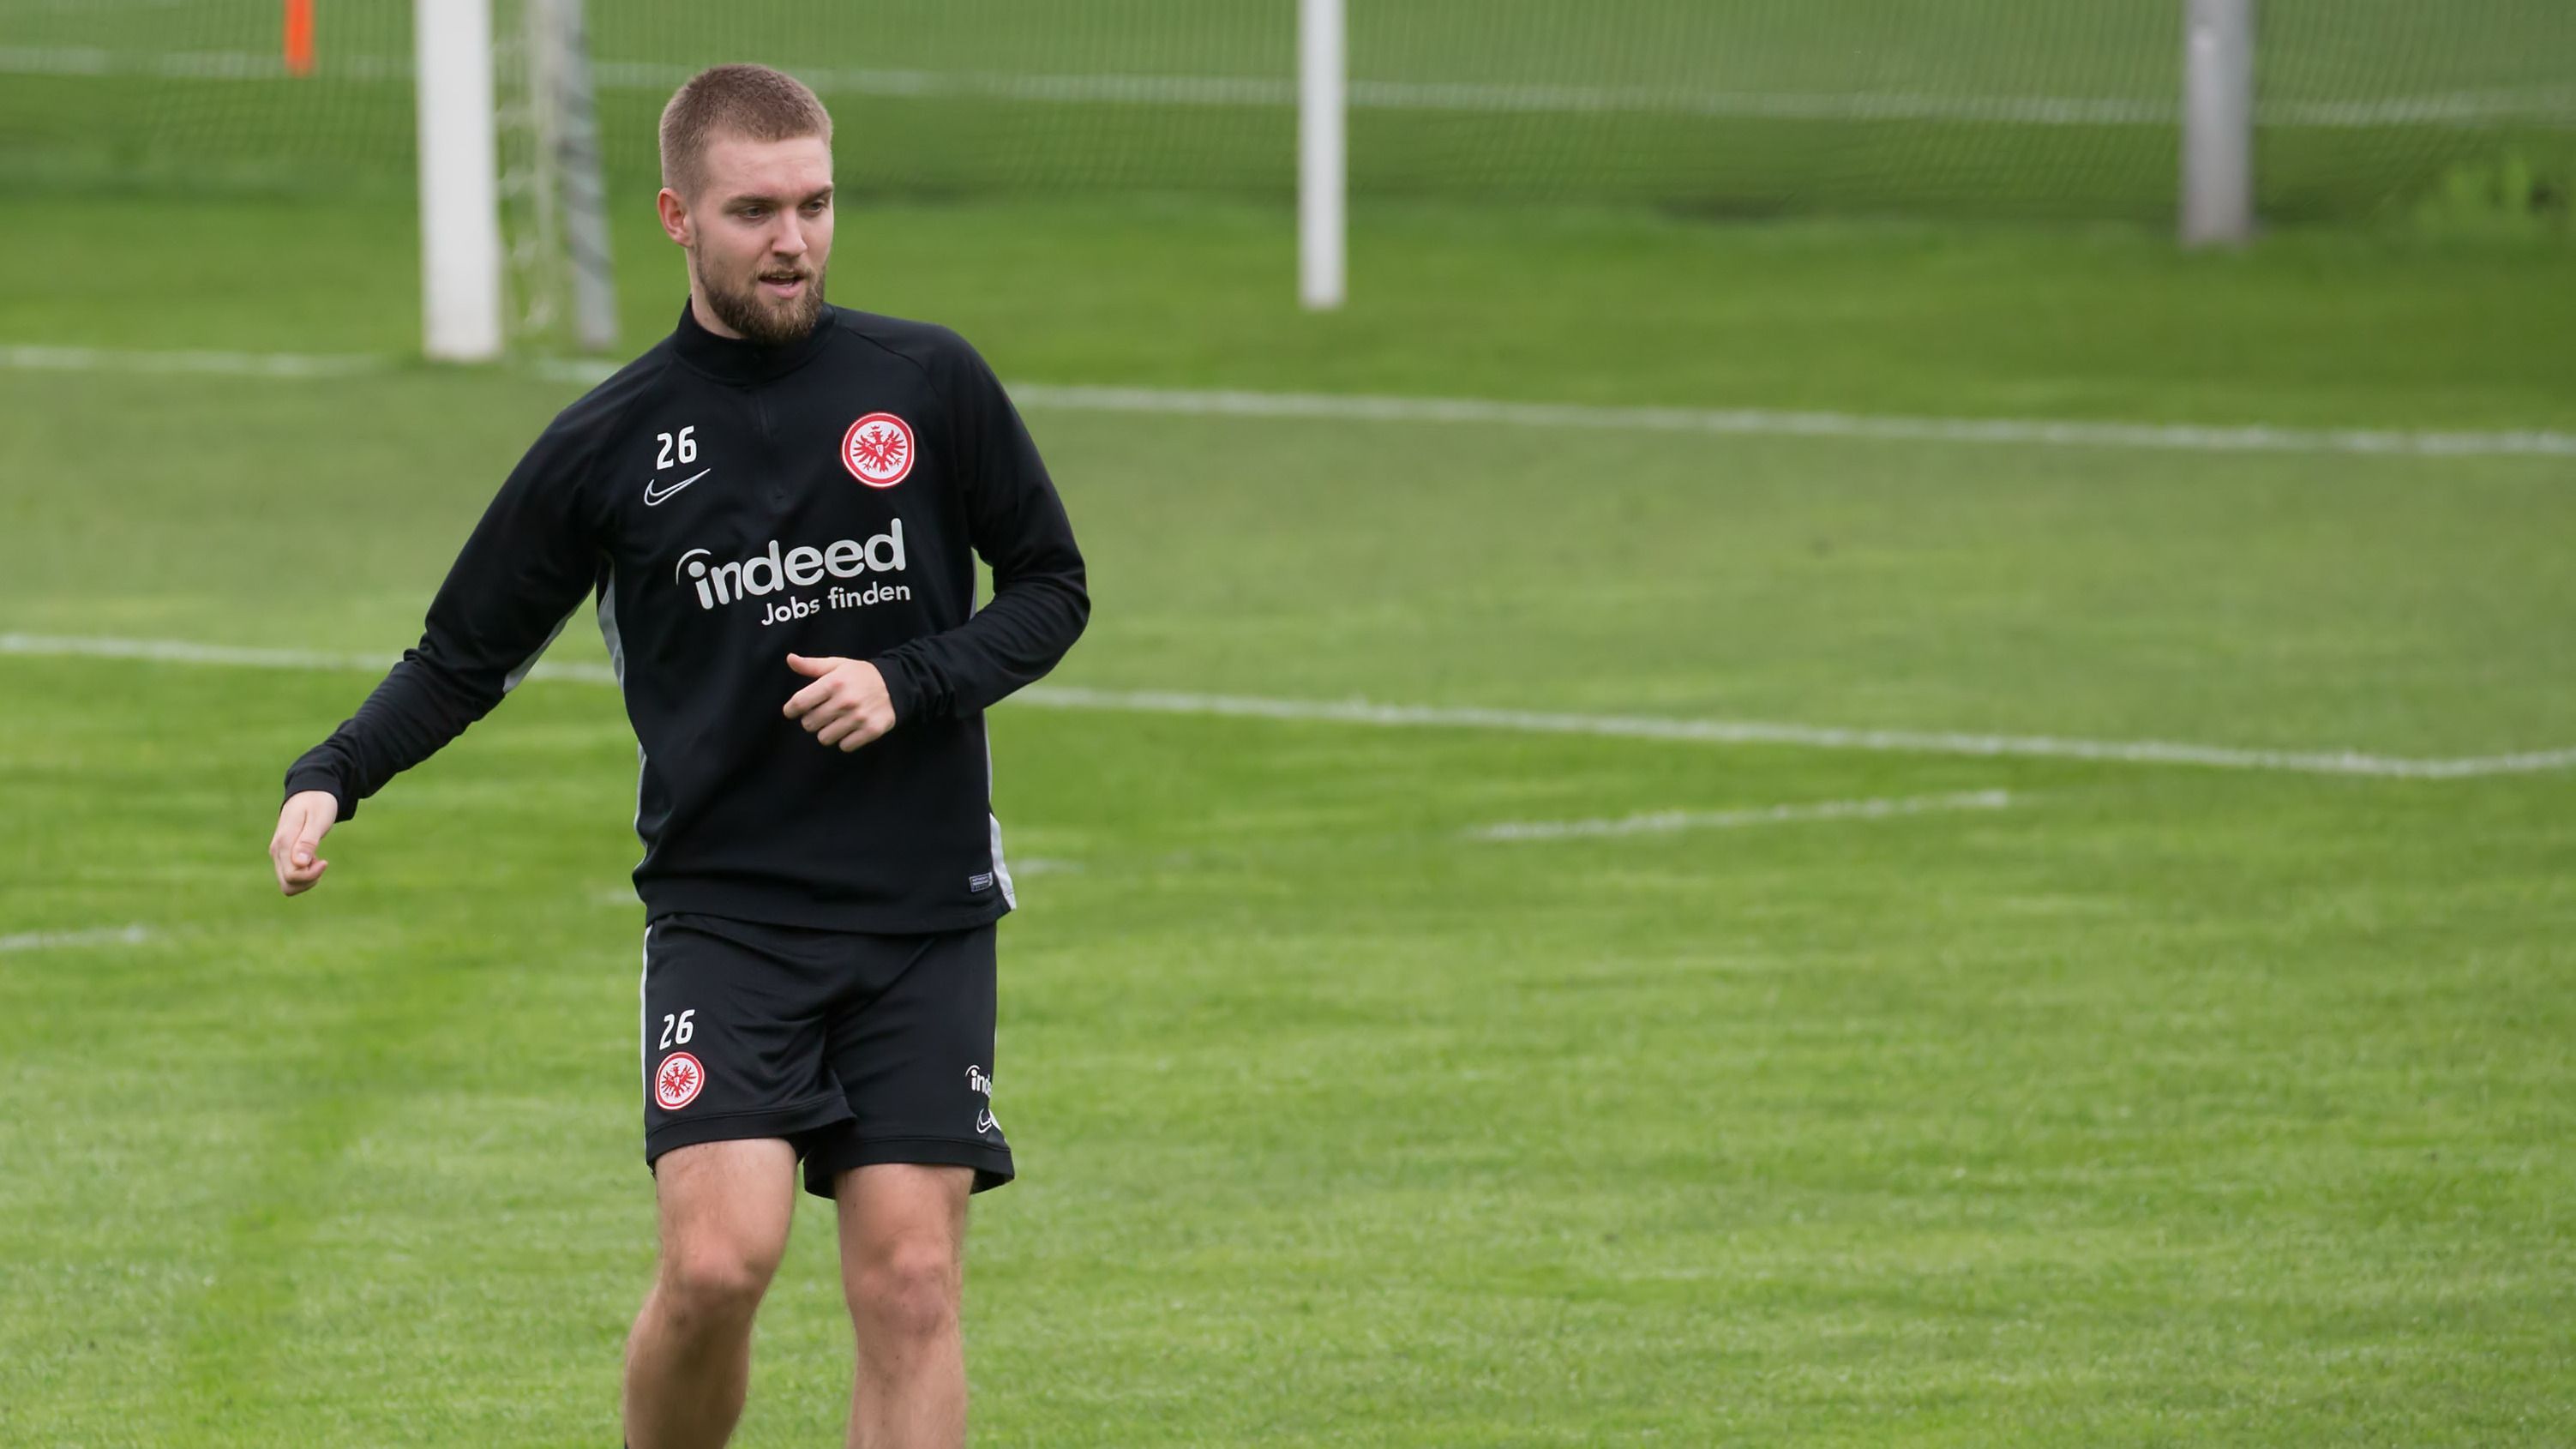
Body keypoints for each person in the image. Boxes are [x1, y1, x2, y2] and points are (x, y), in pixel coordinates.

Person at [264, 63, 1088, 1449]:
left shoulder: (926, 381)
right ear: (675, 217)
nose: (794, 239)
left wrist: (911, 679)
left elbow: (1050, 586)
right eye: (755, 208)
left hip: (921, 911)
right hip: (729, 917)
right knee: (718, 1265)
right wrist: (330, 770)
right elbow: (464, 653)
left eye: (816, 204)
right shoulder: (609, 443)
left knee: (910, 1278)